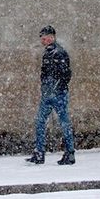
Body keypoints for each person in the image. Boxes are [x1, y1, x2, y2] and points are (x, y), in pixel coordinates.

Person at [26, 25, 76, 165]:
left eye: (45, 36)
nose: (43, 39)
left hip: (57, 94)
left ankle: (69, 153)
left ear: (52, 37)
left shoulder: (58, 52)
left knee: (63, 122)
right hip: (48, 94)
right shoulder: (48, 52)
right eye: (42, 37)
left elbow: (66, 74)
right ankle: (39, 153)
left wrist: (57, 88)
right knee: (41, 122)